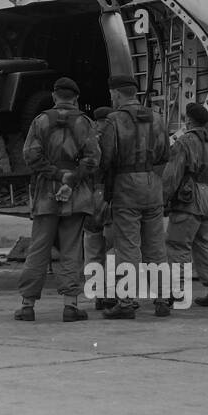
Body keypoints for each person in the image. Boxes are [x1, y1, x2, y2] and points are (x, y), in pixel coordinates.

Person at [14, 78, 100, 322]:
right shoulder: (85, 122)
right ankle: (70, 305)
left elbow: (30, 155)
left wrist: (55, 174)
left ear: (54, 96)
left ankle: (27, 305)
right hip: (75, 193)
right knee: (72, 249)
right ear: (75, 99)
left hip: (45, 195)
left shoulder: (40, 121)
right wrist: (70, 179)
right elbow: (93, 158)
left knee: (38, 249)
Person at [100, 74, 171, 319]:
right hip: (152, 185)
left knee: (128, 247)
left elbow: (105, 158)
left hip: (126, 187)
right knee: (156, 246)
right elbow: (164, 155)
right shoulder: (157, 118)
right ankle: (162, 299)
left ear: (117, 93)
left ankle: (127, 302)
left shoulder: (113, 120)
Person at [163, 102, 208, 307]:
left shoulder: (184, 143)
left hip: (188, 200)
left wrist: (163, 199)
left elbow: (172, 175)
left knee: (177, 245)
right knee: (205, 246)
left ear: (189, 120)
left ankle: (176, 291)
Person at [83, 106, 117, 311]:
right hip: (113, 197)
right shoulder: (118, 137)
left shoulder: (88, 138)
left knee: (92, 248)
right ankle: (112, 293)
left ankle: (97, 295)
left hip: (91, 198)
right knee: (113, 248)